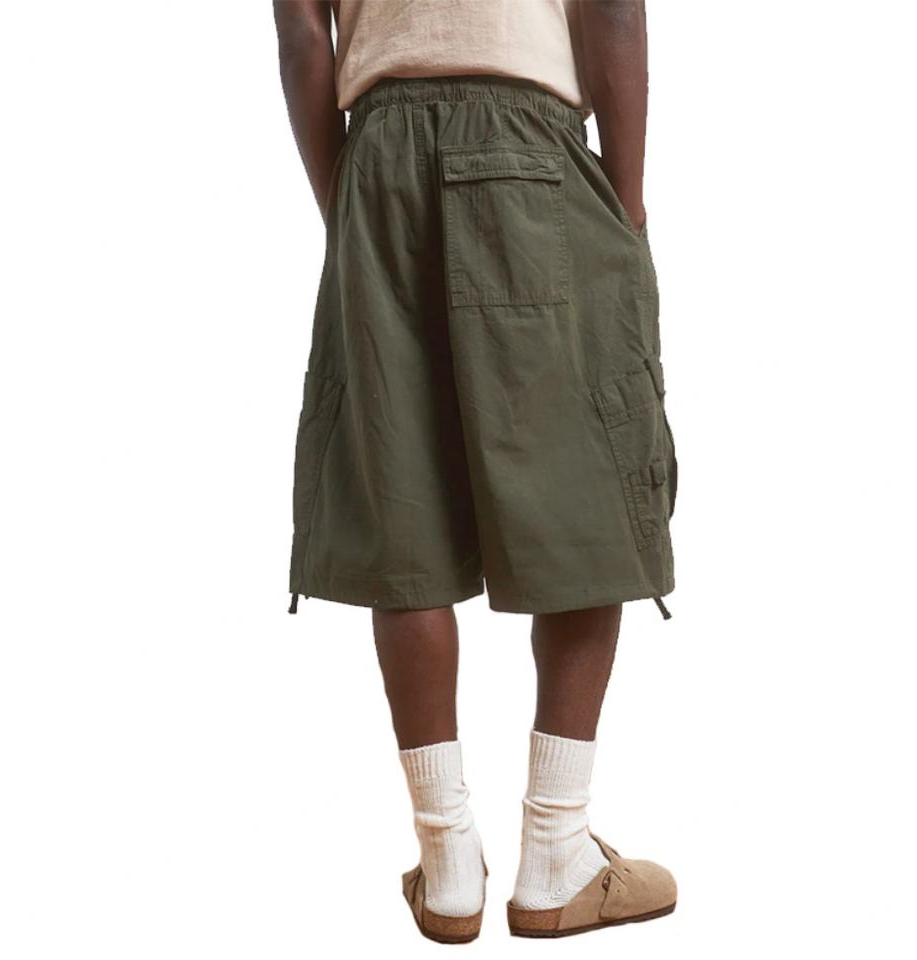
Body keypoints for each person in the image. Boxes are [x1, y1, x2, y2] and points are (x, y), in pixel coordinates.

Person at [273, 0, 678, 943]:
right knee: (580, 485)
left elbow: (300, 31)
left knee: (400, 493)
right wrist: (625, 205)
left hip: (376, 151)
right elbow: (612, 9)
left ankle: (448, 859)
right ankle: (557, 850)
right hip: (529, 144)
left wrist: (349, 200)